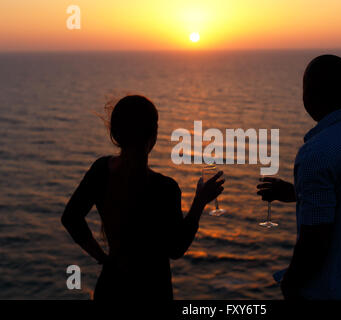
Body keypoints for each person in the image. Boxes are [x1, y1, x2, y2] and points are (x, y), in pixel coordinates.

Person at [257, 55, 341, 300]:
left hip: (327, 290)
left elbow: (315, 238)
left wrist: (290, 284)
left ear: (307, 93)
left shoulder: (317, 152)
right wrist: (294, 192)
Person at [61, 95, 225, 300]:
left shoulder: (101, 170)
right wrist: (199, 202)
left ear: (115, 133)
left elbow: (70, 217)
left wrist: (102, 257)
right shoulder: (164, 187)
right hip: (152, 290)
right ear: (153, 137)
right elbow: (176, 248)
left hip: (111, 287)